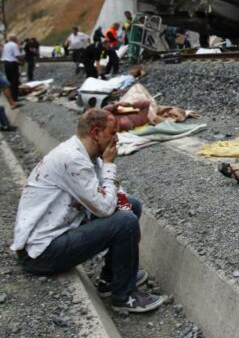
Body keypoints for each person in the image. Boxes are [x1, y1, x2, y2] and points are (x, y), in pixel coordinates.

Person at [11, 109, 163, 314]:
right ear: (95, 133)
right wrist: (110, 166)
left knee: (132, 207)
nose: (116, 139)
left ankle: (111, 280)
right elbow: (103, 208)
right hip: (41, 252)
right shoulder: (72, 159)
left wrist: (124, 207)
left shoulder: (90, 156)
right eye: (112, 133)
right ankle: (124, 296)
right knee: (125, 221)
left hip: (60, 232)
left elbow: (119, 199)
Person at [2, 34, 24, 101]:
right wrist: (22, 61)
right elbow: (17, 55)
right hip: (12, 64)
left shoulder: (5, 45)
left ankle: (11, 96)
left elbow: (7, 56)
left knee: (9, 80)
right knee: (14, 80)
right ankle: (15, 97)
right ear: (14, 39)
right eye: (17, 38)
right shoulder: (14, 45)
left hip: (6, 64)